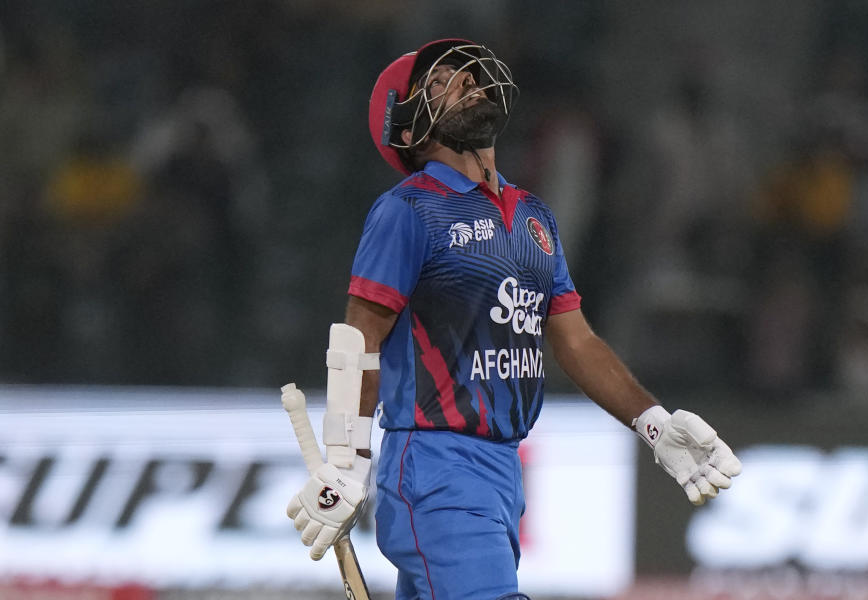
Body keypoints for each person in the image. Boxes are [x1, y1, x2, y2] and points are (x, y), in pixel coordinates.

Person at [286, 38, 742, 600]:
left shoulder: (533, 216)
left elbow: (576, 341)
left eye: (467, 75)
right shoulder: (408, 209)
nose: (467, 82)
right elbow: (360, 338)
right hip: (436, 464)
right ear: (407, 131)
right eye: (440, 82)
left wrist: (654, 423)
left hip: (502, 470)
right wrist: (346, 463)